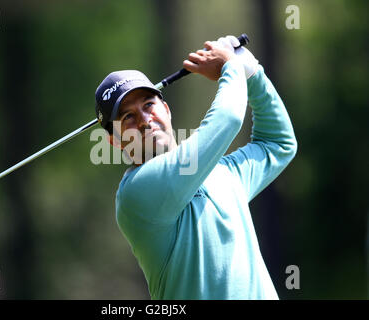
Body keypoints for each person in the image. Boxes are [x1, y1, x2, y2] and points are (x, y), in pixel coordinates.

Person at [94, 35, 297, 299]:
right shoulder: (137, 193)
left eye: (148, 105)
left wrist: (253, 73)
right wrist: (231, 66)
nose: (144, 120)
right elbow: (227, 119)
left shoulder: (223, 173)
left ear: (166, 110)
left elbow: (278, 143)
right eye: (128, 117)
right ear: (114, 141)